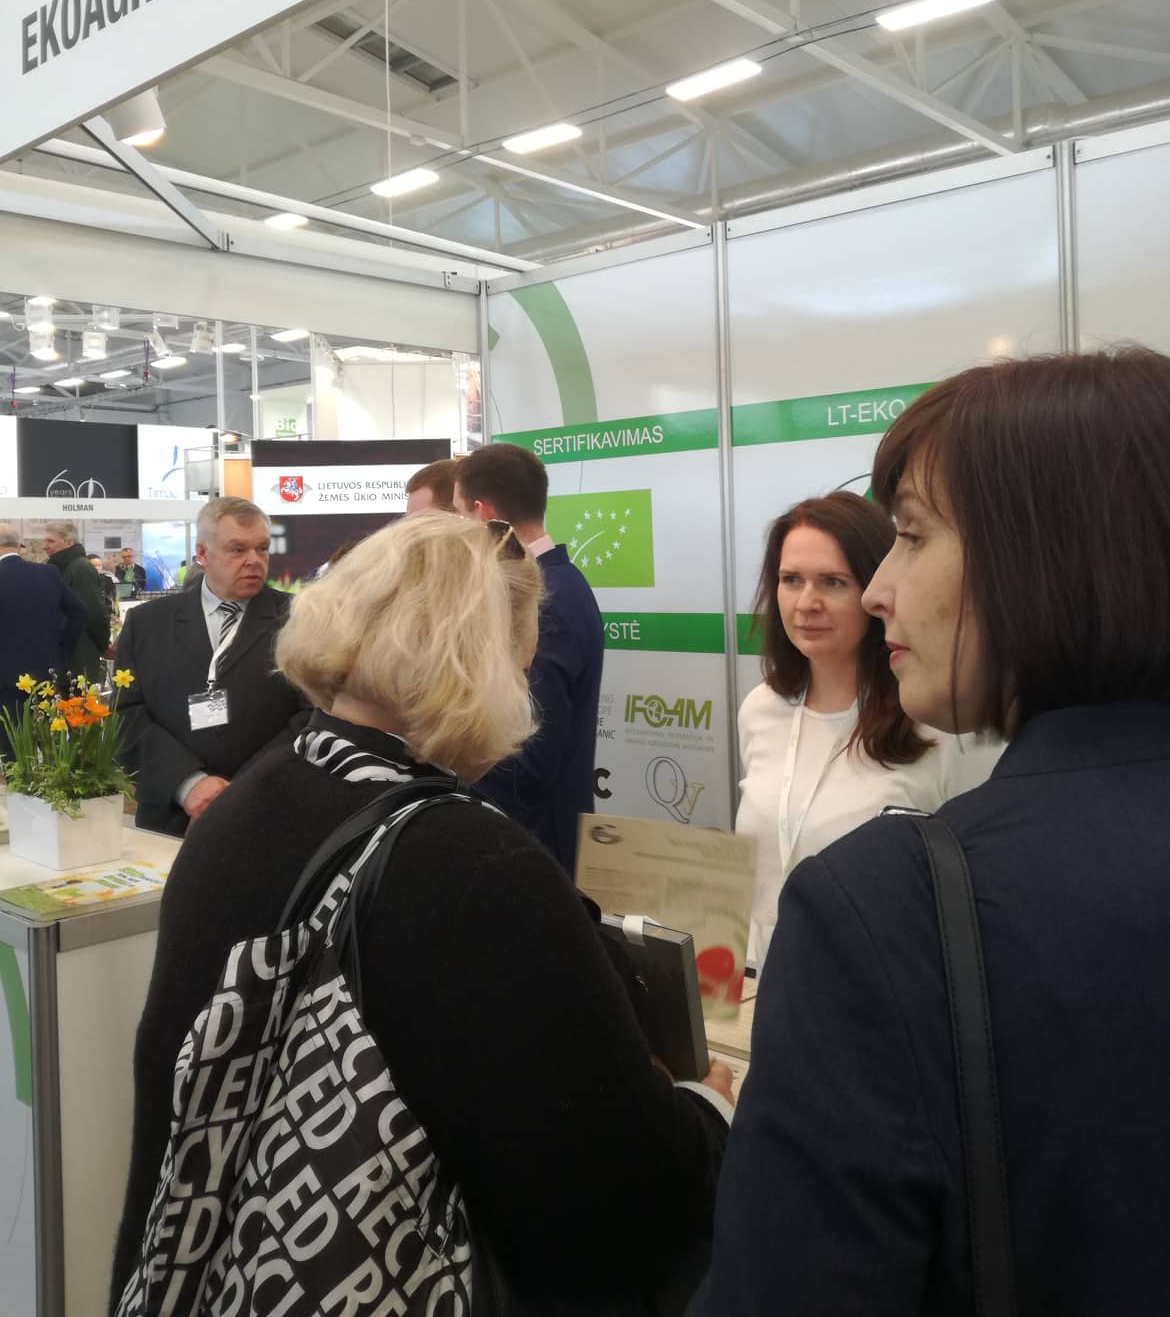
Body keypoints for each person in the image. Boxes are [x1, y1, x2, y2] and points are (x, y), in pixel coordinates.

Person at [112, 513, 734, 1314]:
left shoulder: (246, 804)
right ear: (486, 660)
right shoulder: (473, 864)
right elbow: (617, 1202)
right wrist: (707, 1109)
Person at [694, 348, 1170, 1316]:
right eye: (794, 580)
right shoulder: (765, 716)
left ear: (1045, 557)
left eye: (910, 537)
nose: (876, 593)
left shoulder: (885, 907)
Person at [735, 492, 999, 965]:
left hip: (879, 985)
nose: (806, 603)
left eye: (833, 582)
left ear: (876, 589)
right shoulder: (761, 709)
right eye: (791, 580)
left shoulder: (934, 724)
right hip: (761, 983)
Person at [114, 496, 308, 836]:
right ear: (203, 554)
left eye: (262, 549)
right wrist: (189, 784)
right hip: (172, 815)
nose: (254, 560)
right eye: (237, 549)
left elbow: (312, 716)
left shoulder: (300, 620)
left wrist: (241, 790)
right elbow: (126, 714)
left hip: (269, 814)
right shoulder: (147, 624)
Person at [454, 442, 603, 873]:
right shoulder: (553, 585)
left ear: (481, 513)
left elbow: (530, 755)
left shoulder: (543, 599)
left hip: (535, 848)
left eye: (458, 515)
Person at [0, 523, 87, 757]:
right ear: (17, 544)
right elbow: (79, 612)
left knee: (13, 752)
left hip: (5, 680)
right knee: (54, 748)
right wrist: (61, 650)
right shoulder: (47, 573)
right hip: (46, 673)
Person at [41, 520, 110, 685]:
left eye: (51, 541)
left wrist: (102, 644)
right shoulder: (56, 567)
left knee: (80, 698)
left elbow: (92, 612)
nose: (45, 546)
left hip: (80, 650)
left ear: (69, 542)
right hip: (62, 650)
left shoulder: (80, 568)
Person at [88, 553, 120, 622]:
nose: (97, 568)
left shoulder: (108, 580)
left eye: (99, 565)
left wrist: (116, 616)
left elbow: (114, 599)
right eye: (93, 566)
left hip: (106, 616)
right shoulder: (83, 581)